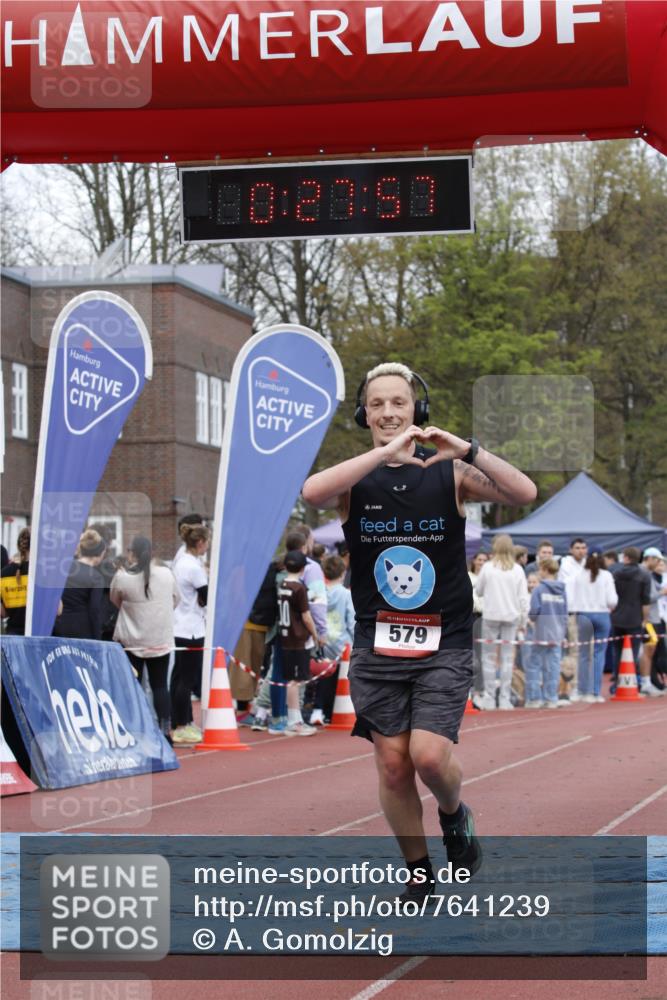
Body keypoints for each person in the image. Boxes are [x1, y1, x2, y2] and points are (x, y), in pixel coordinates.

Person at [302, 361, 536, 903]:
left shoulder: (449, 474)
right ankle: (418, 868)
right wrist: (382, 455)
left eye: (399, 403)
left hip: (444, 641)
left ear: (417, 410)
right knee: (391, 762)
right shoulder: (355, 480)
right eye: (378, 404)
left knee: (428, 757)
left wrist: (468, 448)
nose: (389, 413)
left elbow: (522, 492)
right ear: (365, 414)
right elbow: (312, 491)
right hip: (378, 642)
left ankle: (455, 815)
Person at [110, 536, 180, 739]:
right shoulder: (166, 574)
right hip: (159, 639)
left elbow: (115, 599)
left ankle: (134, 730)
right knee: (160, 686)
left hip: (132, 640)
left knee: (132, 686)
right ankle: (165, 729)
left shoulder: (123, 576)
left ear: (132, 553)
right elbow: (175, 599)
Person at [474, 534, 529, 711]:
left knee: (488, 657)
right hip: (511, 616)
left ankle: (489, 697)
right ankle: (504, 698)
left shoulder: (488, 568)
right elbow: (523, 597)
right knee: (506, 658)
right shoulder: (518, 569)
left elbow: (479, 590)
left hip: (491, 615)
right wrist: (524, 619)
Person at [171, 523, 210, 743]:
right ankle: (182, 724)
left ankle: (181, 721)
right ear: (200, 543)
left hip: (179, 624)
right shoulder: (193, 567)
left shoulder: (180, 560)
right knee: (186, 679)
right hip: (192, 628)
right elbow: (206, 596)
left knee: (178, 678)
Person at [276, 549, 320, 736]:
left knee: (291, 680)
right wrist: (316, 634)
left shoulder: (282, 584)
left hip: (285, 636)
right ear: (303, 569)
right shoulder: (299, 588)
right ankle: (295, 721)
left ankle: (294, 719)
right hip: (298, 638)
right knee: (296, 680)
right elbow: (306, 616)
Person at [309, 553, 356, 726]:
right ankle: (333, 711)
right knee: (340, 680)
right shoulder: (346, 595)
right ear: (343, 573)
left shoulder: (318, 593)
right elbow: (351, 621)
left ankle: (318, 710)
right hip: (342, 643)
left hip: (322, 640)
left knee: (323, 677)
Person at [573, 551, 618, 702]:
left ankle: (581, 690)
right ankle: (595, 691)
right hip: (602, 614)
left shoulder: (579, 575)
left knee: (584, 654)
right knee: (599, 654)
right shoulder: (606, 575)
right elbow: (612, 600)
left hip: (584, 614)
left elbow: (574, 597)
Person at [525, 558, 567, 708]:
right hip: (556, 633)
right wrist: (563, 633)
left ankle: (534, 698)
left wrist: (531, 618)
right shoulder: (562, 590)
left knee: (534, 665)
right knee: (553, 666)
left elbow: (534, 611)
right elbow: (564, 614)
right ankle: (551, 698)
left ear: (544, 570)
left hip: (541, 633)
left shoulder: (539, 589)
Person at [610, 547, 651, 693]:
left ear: (626, 558)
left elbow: (611, 596)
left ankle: (616, 684)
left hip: (617, 617)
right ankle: (632, 683)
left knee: (617, 651)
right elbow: (646, 601)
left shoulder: (615, 574)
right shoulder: (644, 576)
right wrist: (645, 619)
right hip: (634, 618)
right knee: (633, 652)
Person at [53, 529, 106, 640]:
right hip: (82, 631)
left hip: (58, 627)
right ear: (99, 553)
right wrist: (98, 638)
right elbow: (94, 610)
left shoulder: (64, 568)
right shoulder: (96, 577)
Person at [557, 537, 588, 702]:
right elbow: (571, 585)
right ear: (571, 550)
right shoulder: (566, 565)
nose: (581, 551)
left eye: (583, 548)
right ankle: (571, 686)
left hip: (587, 611)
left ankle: (583, 686)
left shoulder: (588, 564)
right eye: (577, 548)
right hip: (571, 612)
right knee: (573, 651)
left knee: (585, 651)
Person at [638, 547, 667, 697]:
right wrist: (662, 592)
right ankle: (647, 682)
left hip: (652, 618)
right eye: (657, 560)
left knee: (653, 652)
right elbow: (647, 598)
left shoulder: (648, 574)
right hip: (648, 620)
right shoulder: (645, 574)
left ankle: (651, 681)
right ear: (649, 558)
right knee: (649, 651)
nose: (658, 563)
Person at [0, 527, 30, 635]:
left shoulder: (3, 574)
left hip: (13, 636)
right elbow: (58, 610)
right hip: (39, 636)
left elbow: (3, 613)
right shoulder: (41, 573)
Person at [468, 552, 488, 699]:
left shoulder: (489, 577)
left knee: (483, 654)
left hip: (486, 617)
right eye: (479, 559)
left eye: (484, 560)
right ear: (474, 561)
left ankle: (481, 688)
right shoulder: (468, 576)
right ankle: (469, 687)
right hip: (472, 616)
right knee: (471, 653)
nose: (481, 562)